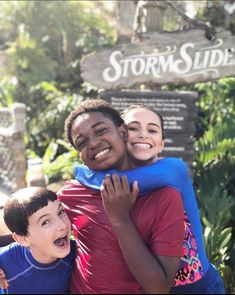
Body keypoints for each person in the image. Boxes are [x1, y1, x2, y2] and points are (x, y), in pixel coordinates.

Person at [74, 103, 225, 294]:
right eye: (133, 128)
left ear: (161, 143)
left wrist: (80, 171)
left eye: (152, 130)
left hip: (199, 287)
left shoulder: (173, 169)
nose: (143, 135)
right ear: (121, 134)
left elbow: (112, 181)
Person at [57, 99, 185, 294]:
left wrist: (120, 219)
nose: (93, 143)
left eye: (100, 131)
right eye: (82, 142)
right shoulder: (72, 193)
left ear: (123, 133)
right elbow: (33, 228)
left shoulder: (164, 196)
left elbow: (159, 287)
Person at [0, 187, 75, 294]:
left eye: (61, 212)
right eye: (45, 222)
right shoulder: (7, 260)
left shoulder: (76, 254)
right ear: (23, 239)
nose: (62, 225)